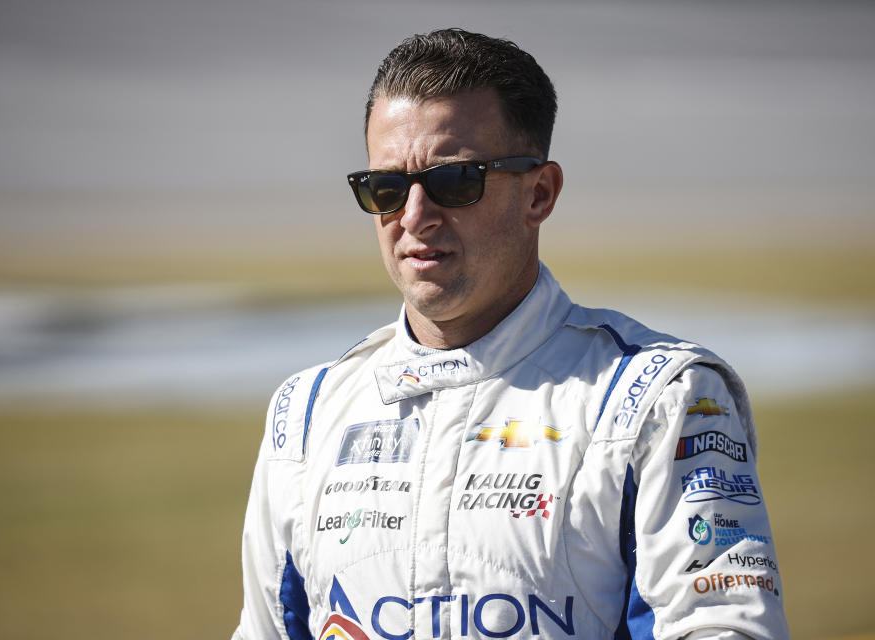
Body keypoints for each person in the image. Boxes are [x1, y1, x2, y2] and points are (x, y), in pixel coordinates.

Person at [233, 28, 788, 640]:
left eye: (454, 181)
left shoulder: (658, 399)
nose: (414, 217)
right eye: (385, 189)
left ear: (540, 193)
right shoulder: (307, 413)